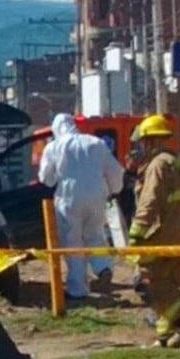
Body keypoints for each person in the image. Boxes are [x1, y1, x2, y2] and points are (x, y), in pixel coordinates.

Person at [127, 115, 180, 348]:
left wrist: (135, 235)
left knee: (145, 280)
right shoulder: (179, 164)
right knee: (167, 284)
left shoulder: (158, 165)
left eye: (142, 142)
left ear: (150, 141)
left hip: (166, 235)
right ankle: (168, 335)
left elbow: (149, 202)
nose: (140, 147)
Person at [37, 113, 125, 299]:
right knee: (96, 235)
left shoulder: (54, 147)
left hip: (69, 198)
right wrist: (113, 190)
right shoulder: (96, 143)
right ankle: (103, 268)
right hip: (97, 195)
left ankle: (77, 289)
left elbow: (46, 178)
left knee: (72, 242)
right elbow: (116, 171)